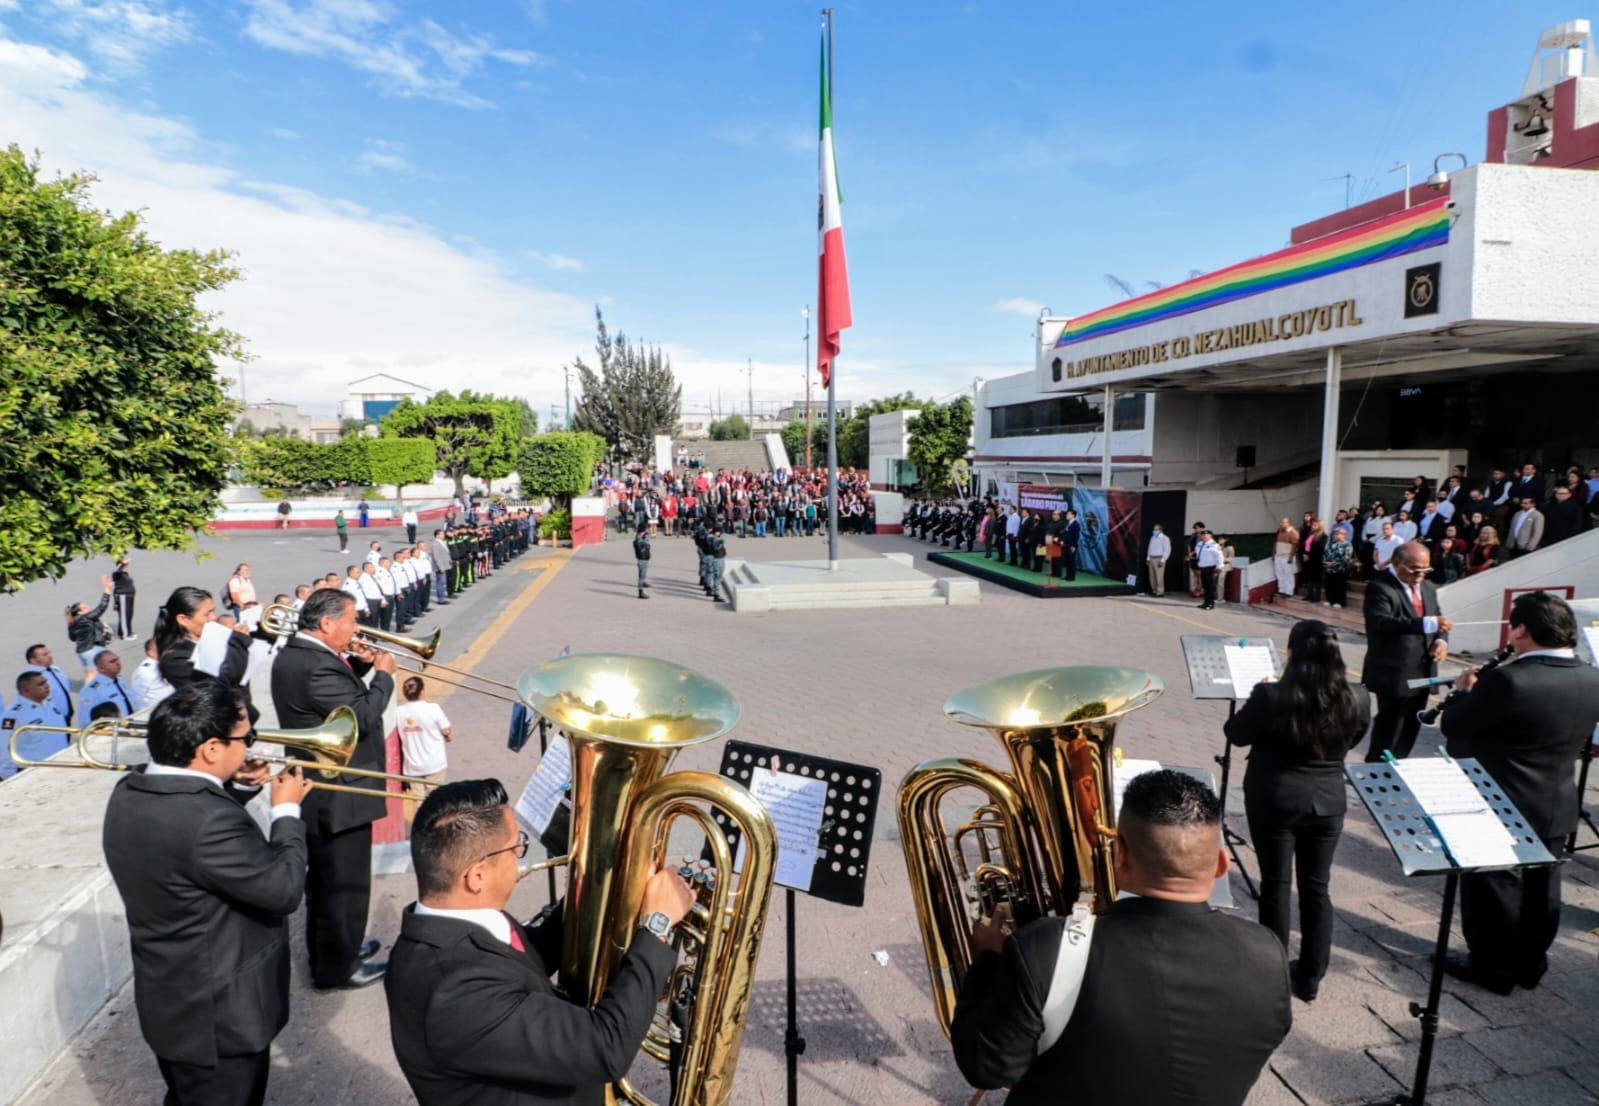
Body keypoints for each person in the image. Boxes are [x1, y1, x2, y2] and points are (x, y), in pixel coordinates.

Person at [950, 770, 1291, 1105]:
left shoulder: (1042, 948)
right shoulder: (1267, 953)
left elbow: (987, 1069)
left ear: (1119, 855)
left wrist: (986, 962)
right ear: (1220, 864)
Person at [385, 779, 695, 1105]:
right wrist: (658, 924)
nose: (520, 855)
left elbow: (526, 957)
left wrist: (608, 883)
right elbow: (606, 1048)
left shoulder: (450, 921)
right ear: (477, 876)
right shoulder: (454, 993)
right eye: (515, 846)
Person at [102, 676, 312, 1106]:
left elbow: (190, 845)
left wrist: (241, 787)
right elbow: (285, 888)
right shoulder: (207, 821)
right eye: (245, 737)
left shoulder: (132, 791)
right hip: (220, 1016)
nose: (250, 745)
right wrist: (286, 811)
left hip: (173, 999)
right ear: (211, 749)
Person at [1439, 592, 1599, 994]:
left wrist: (1463, 692)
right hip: (1556, 798)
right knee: (1542, 893)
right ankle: (1529, 966)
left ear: (1523, 630)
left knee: (1494, 890)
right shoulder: (1592, 676)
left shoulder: (1509, 679)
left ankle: (1492, 969)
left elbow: (1456, 726)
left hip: (1501, 800)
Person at [1225, 621, 1370, 1002]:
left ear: (1292, 653)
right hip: (1328, 800)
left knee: (1275, 884)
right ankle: (1309, 978)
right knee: (1316, 887)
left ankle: (1272, 973)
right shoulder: (1358, 695)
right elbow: (1355, 736)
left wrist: (1256, 697)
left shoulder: (1271, 694)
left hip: (1275, 797)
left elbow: (1236, 733)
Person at [269, 588, 396, 990]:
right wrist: (385, 676)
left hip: (326, 789)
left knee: (329, 883)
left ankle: (342, 949)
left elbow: (332, 707)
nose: (356, 628)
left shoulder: (301, 656)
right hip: (339, 792)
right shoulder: (315, 666)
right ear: (326, 624)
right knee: (344, 885)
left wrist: (358, 670)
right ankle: (336, 968)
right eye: (352, 620)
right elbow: (361, 718)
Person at [1362, 541, 1451, 762]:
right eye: (1414, 569)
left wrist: (1441, 641)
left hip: (1424, 670)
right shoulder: (1380, 588)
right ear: (1395, 563)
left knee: (1412, 725)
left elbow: (1438, 620)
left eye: (1425, 570)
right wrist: (1426, 624)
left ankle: (1400, 767)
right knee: (1391, 726)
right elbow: (1381, 622)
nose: (1420, 575)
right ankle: (1377, 771)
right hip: (1394, 672)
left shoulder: (1429, 588)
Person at [155, 587, 259, 723]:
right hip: (217, 724)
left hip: (239, 716)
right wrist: (237, 643)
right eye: (207, 614)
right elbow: (221, 686)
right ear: (183, 619)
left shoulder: (211, 637)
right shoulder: (175, 659)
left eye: (213, 611)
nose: (213, 618)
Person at [397, 676, 451, 823]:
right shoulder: (433, 708)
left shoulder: (398, 712)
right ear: (422, 692)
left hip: (412, 766)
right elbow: (446, 730)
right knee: (436, 801)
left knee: (419, 803)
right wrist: (447, 736)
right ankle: (435, 831)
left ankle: (421, 830)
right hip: (434, 763)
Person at [0, 671, 70, 778]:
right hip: (36, 774)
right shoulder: (13, 716)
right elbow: (4, 750)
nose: (47, 686)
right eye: (40, 684)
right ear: (26, 690)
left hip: (63, 767)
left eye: (46, 682)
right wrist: (11, 778)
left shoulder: (51, 705)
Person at [66, 575, 116, 670]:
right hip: (92, 649)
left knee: (91, 673)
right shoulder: (86, 618)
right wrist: (107, 589)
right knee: (99, 672)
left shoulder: (72, 622)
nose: (88, 607)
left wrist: (95, 631)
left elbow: (72, 638)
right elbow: (102, 607)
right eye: (85, 607)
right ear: (79, 612)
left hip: (82, 651)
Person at [24, 643, 75, 725]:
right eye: (45, 655)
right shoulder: (30, 677)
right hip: (49, 720)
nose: (50, 656)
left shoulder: (56, 670)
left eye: (49, 653)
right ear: (33, 660)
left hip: (65, 717)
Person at [79, 649, 135, 718]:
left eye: (117, 659)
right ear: (101, 668)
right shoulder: (91, 691)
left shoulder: (119, 680)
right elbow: (86, 718)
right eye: (112, 661)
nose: (118, 663)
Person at [128, 637, 175, 712]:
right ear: (151, 652)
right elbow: (137, 696)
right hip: (154, 712)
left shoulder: (165, 663)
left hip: (168, 707)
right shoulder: (145, 671)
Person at [1321, 526, 1354, 608]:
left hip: (1341, 569)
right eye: (1334, 534)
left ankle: (1339, 602)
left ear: (1344, 535)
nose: (1335, 536)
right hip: (1329, 568)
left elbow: (1347, 557)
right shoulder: (1329, 544)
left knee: (1339, 586)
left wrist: (1335, 563)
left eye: (1337, 534)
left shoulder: (1347, 544)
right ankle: (1329, 600)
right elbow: (1325, 554)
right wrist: (1326, 562)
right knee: (1329, 585)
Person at [1272, 517, 1299, 600]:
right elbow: (1276, 543)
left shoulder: (1293, 532)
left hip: (1287, 556)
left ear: (1288, 523)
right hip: (1279, 555)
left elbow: (1294, 545)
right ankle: (1282, 589)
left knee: (1288, 574)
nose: (1281, 524)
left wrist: (1291, 557)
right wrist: (1273, 553)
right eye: (1281, 522)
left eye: (1283, 522)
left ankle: (1289, 591)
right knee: (1279, 573)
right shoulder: (1280, 531)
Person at [112, 557, 138, 641]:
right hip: (122, 596)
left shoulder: (125, 573)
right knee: (124, 616)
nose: (127, 566)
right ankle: (125, 634)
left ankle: (127, 631)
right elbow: (116, 569)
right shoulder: (117, 574)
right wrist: (122, 563)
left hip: (129, 595)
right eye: (125, 565)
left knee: (129, 615)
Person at [1196, 529, 1222, 610]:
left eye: (1206, 535)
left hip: (1211, 568)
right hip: (1203, 567)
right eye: (1202, 535)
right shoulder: (1199, 544)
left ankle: (1211, 604)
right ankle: (1206, 602)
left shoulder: (1214, 545)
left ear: (1210, 536)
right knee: (1205, 586)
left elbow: (1219, 557)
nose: (1203, 536)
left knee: (1211, 587)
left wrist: (1219, 567)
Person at [1146, 523, 1171, 596]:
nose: (1154, 531)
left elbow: (1167, 550)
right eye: (1153, 529)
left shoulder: (1165, 538)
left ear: (1160, 530)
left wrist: (1163, 560)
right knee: (1152, 575)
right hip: (1152, 558)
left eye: (1156, 529)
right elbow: (1149, 548)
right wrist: (1148, 558)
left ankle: (1160, 591)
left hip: (1159, 558)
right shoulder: (1152, 537)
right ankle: (1154, 590)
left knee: (1159, 575)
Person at [1061, 508, 1082, 582]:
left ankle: (1072, 576)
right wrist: (1063, 541)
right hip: (1066, 545)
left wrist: (1074, 546)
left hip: (1071, 546)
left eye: (1068, 514)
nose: (1067, 515)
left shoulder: (1076, 524)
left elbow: (1076, 536)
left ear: (1073, 515)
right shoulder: (1068, 523)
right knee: (1067, 561)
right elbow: (1066, 534)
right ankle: (1067, 575)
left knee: (1071, 561)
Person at [633, 526, 652, 599]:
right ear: (642, 532)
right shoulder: (638, 539)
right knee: (642, 575)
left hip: (644, 558)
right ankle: (640, 592)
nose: (646, 532)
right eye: (645, 531)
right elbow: (645, 545)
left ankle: (643, 582)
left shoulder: (641, 537)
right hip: (642, 559)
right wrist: (646, 540)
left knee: (643, 573)